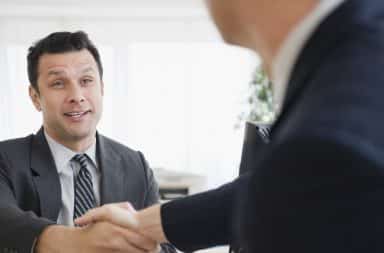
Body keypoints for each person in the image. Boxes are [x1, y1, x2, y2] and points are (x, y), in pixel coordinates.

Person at [76, 0, 384, 252]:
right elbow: (290, 185)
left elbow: (309, 177)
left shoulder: (329, 140)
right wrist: (144, 224)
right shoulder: (361, 50)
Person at [0, 31, 175, 253]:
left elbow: (166, 246)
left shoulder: (135, 165)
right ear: (35, 97)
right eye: (58, 83)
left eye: (86, 81)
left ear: (101, 88)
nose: (77, 96)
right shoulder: (6, 159)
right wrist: (80, 241)